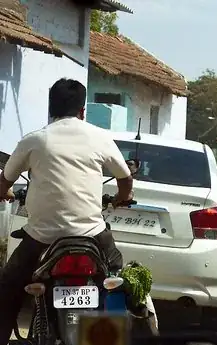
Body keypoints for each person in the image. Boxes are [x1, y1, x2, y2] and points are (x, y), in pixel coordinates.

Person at [0, 78, 133, 344]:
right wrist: (122, 198)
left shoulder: (34, 140)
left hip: (41, 237)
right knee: (119, 277)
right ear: (82, 111)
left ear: (51, 110)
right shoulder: (100, 137)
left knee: (8, 288)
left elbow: (5, 180)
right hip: (92, 235)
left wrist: (6, 193)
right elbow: (125, 177)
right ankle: (126, 329)